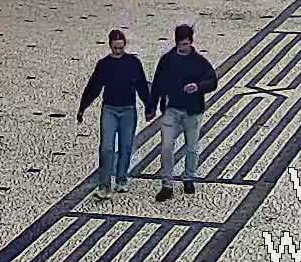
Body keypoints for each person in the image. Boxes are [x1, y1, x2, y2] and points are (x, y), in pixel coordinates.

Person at [78, 29, 150, 200]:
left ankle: (121, 179)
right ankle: (104, 185)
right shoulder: (103, 65)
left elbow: (141, 85)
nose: (118, 51)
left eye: (121, 48)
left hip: (128, 110)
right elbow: (93, 87)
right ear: (110, 46)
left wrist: (149, 106)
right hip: (109, 109)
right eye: (115, 48)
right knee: (106, 148)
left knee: (125, 146)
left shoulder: (133, 62)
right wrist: (83, 107)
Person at [149, 23, 218, 202]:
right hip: (171, 109)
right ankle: (167, 184)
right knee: (166, 147)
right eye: (180, 44)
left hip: (193, 110)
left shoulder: (199, 62)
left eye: (186, 44)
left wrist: (198, 86)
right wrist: (151, 106)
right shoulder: (167, 60)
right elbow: (157, 84)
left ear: (191, 42)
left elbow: (212, 81)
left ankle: (189, 178)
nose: (183, 47)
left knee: (192, 147)